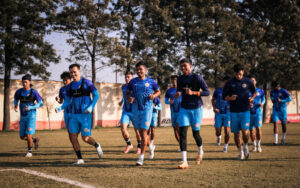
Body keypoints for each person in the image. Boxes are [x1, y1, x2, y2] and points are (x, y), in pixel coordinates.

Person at [55, 63, 103, 165]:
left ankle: (96, 145)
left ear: (79, 71)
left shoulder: (87, 83)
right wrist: (60, 108)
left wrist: (90, 107)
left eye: (74, 72)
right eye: (71, 72)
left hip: (85, 115)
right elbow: (67, 101)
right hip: (73, 115)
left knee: (85, 138)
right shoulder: (69, 87)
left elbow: (96, 95)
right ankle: (80, 159)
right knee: (72, 136)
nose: (73, 74)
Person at [174, 58, 210, 169]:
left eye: (185, 65)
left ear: (190, 66)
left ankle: (200, 150)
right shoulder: (179, 79)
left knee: (196, 134)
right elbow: (179, 90)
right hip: (184, 109)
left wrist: (194, 92)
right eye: (181, 66)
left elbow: (207, 92)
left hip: (196, 109)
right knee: (183, 134)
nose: (183, 68)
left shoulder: (197, 78)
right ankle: (184, 161)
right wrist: (177, 94)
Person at [127, 61, 161, 166]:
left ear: (145, 70)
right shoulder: (133, 82)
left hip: (147, 108)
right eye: (137, 69)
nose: (139, 71)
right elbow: (128, 93)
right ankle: (150, 146)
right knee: (141, 133)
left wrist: (154, 96)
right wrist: (129, 98)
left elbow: (159, 91)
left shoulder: (151, 81)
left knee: (144, 132)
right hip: (136, 109)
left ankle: (141, 157)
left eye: (141, 69)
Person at [223, 64, 256, 160]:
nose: (238, 76)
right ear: (234, 73)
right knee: (236, 133)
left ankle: (245, 146)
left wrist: (252, 98)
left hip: (245, 111)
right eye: (237, 74)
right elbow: (224, 96)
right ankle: (240, 151)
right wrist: (230, 98)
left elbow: (254, 92)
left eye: (240, 74)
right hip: (233, 112)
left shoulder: (248, 81)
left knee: (245, 132)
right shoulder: (229, 83)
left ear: (243, 72)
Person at [14, 74, 43, 158]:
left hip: (31, 116)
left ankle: (29, 151)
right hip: (23, 117)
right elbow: (16, 98)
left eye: (26, 82)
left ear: (30, 82)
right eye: (23, 82)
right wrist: (15, 105)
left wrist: (31, 107)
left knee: (28, 134)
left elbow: (41, 103)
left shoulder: (33, 92)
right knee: (22, 137)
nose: (24, 84)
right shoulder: (19, 92)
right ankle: (35, 140)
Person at [119, 72, 142, 154]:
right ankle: (129, 144)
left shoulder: (136, 86)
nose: (127, 79)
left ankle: (139, 146)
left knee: (137, 131)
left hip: (135, 111)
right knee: (123, 128)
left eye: (128, 77)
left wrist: (134, 99)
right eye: (126, 77)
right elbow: (124, 96)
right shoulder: (123, 86)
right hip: (126, 111)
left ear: (132, 78)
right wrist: (122, 101)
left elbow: (140, 96)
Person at [211, 76, 231, 152]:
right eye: (225, 82)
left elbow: (235, 100)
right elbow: (213, 100)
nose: (226, 83)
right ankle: (219, 137)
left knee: (227, 131)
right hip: (218, 113)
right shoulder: (218, 91)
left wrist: (231, 106)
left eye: (227, 82)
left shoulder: (232, 91)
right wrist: (214, 108)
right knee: (218, 131)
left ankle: (225, 146)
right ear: (223, 82)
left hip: (228, 113)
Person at [249, 75, 265, 152]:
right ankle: (254, 145)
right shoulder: (246, 91)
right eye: (250, 80)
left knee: (258, 128)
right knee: (251, 130)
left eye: (253, 80)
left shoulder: (260, 91)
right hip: (249, 113)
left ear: (256, 82)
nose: (252, 82)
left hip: (258, 112)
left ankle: (259, 145)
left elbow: (263, 99)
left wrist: (262, 103)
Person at [165, 75, 181, 145]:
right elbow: (165, 101)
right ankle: (180, 144)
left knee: (178, 128)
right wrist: (169, 102)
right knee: (175, 129)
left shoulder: (182, 89)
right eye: (173, 80)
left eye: (175, 79)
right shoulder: (169, 91)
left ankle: (182, 144)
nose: (174, 81)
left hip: (181, 112)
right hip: (173, 112)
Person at [56, 72, 72, 139]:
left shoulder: (73, 88)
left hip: (74, 112)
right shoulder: (62, 89)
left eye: (66, 80)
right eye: (63, 80)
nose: (65, 82)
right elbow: (61, 101)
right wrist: (58, 100)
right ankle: (75, 148)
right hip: (66, 112)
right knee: (69, 132)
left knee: (74, 131)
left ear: (70, 79)